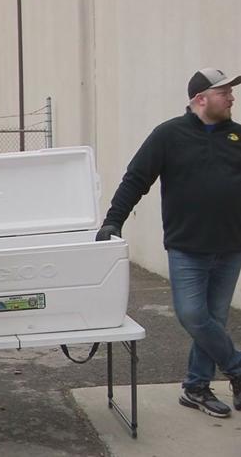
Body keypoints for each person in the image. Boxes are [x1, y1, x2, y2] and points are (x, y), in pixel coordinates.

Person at [96, 67, 241, 418]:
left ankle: (196, 387)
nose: (232, 97)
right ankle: (236, 369)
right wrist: (113, 220)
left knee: (214, 320)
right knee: (193, 315)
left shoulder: (237, 135)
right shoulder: (168, 135)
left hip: (231, 246)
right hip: (187, 247)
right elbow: (136, 179)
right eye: (225, 92)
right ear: (200, 99)